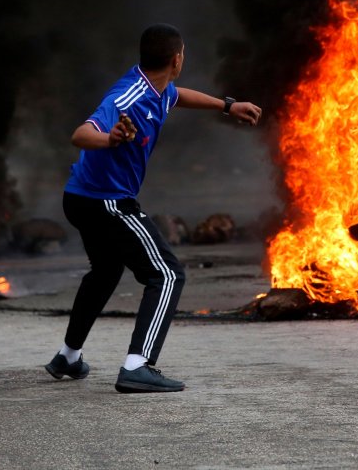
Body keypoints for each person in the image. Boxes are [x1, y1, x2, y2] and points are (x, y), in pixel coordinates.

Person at [45, 24, 262, 393]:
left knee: (106, 272)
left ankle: (67, 356)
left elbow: (179, 97)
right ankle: (137, 365)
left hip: (83, 197)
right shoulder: (127, 97)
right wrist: (110, 137)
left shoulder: (157, 87)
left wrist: (227, 105)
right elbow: (80, 134)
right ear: (177, 59)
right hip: (105, 202)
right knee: (167, 275)